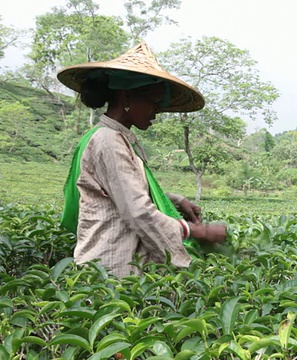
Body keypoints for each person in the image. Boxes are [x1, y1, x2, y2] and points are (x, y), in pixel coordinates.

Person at [57, 42, 227, 277]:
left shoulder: (116, 137)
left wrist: (177, 201)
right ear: (127, 96)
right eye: (154, 102)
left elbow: (123, 192)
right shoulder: (109, 141)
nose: (156, 112)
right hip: (112, 268)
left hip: (117, 264)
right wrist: (198, 231)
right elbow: (138, 211)